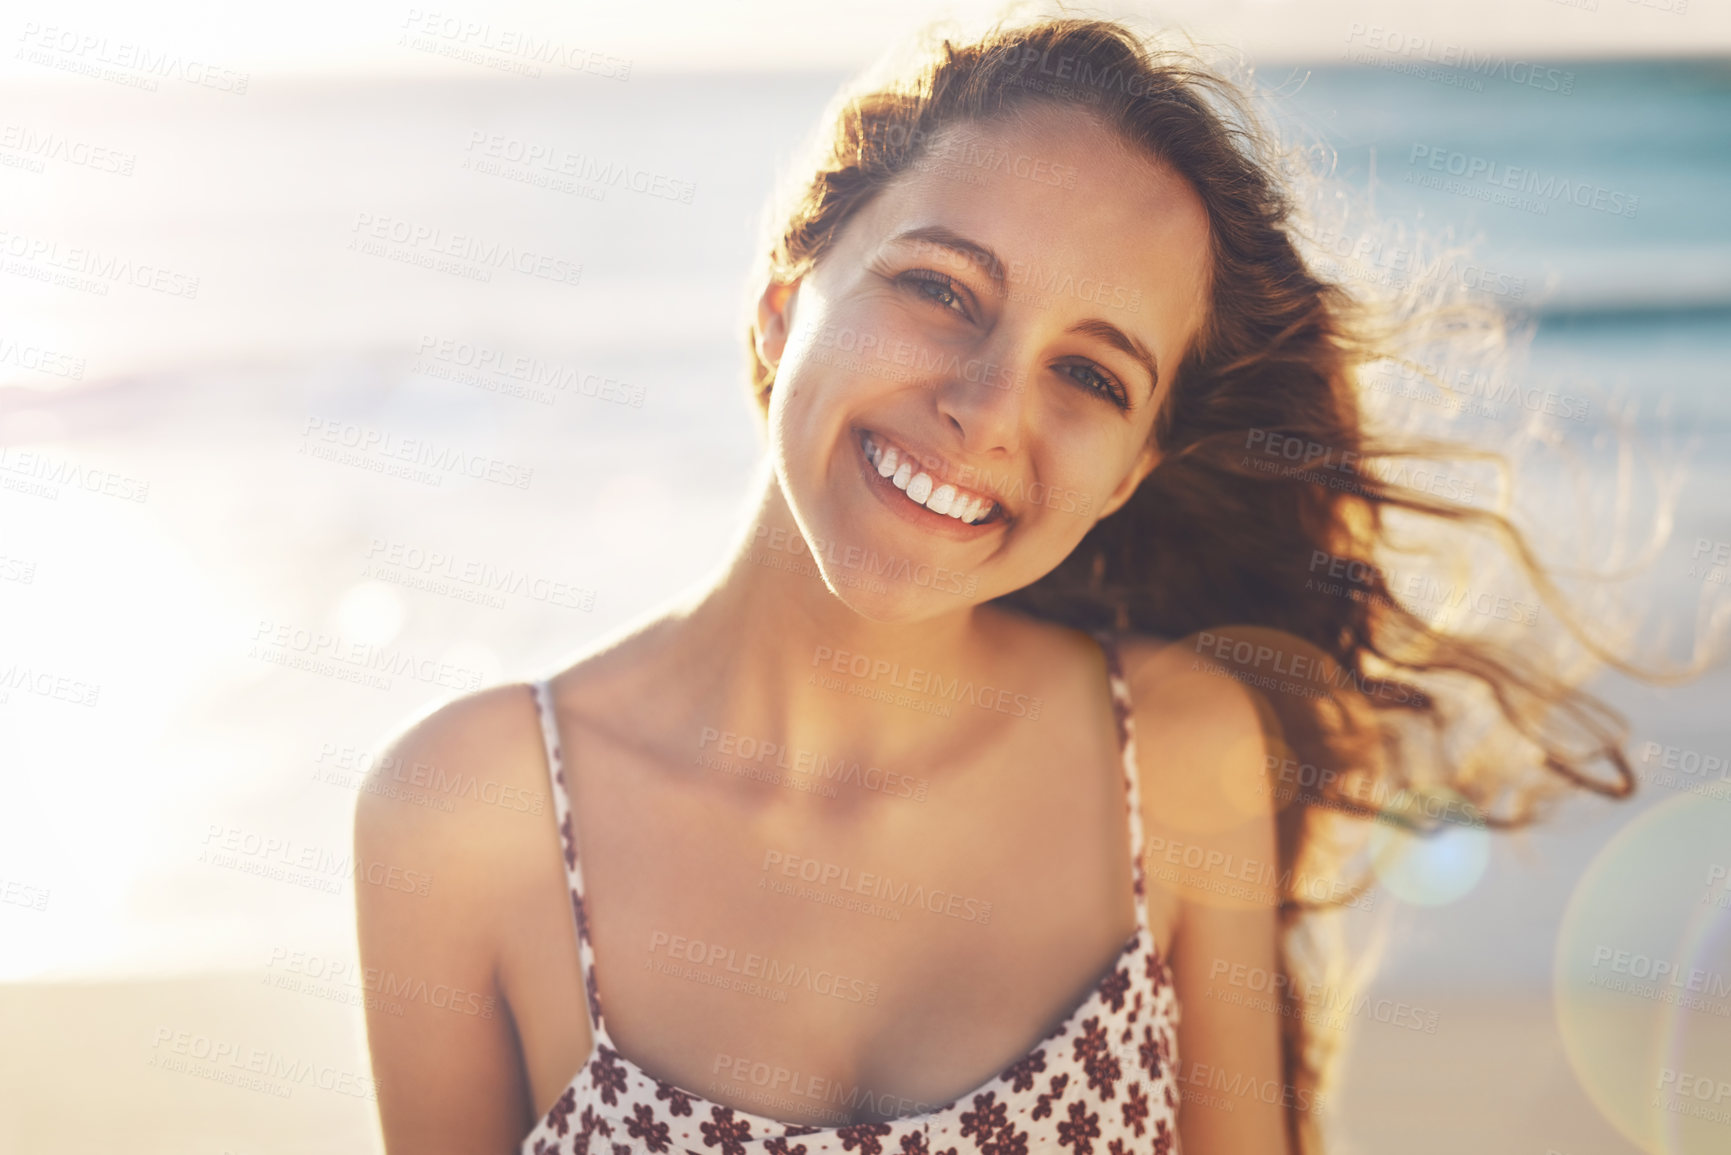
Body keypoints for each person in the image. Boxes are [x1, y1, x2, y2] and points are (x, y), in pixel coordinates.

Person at [355, 16, 1649, 1155]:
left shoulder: (1177, 757)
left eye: (1091, 376)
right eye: (939, 288)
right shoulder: (466, 812)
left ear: (1133, 471)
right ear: (778, 303)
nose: (983, 412)